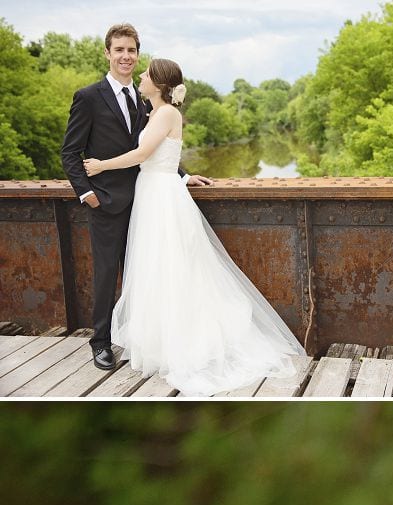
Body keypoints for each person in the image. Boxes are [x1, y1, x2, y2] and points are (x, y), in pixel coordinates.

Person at [76, 57, 305, 395]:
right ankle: (160, 339)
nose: (140, 75)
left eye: (147, 73)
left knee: (172, 267)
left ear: (160, 83)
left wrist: (100, 166)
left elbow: (141, 155)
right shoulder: (154, 111)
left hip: (160, 196)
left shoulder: (166, 112)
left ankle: (182, 342)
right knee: (159, 268)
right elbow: (159, 153)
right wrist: (183, 173)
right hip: (155, 191)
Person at [60, 23, 214, 373]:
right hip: (106, 201)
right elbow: (70, 153)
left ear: (137, 53)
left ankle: (140, 339)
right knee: (105, 274)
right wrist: (87, 193)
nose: (126, 57)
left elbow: (151, 149)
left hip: (148, 202)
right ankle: (100, 343)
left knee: (146, 273)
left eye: (131, 51)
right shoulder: (88, 97)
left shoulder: (146, 101)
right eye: (119, 50)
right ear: (108, 53)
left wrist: (184, 175)